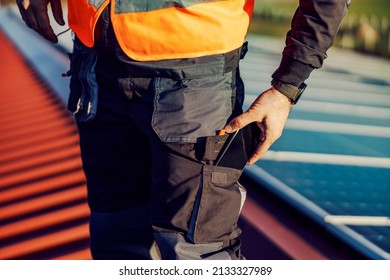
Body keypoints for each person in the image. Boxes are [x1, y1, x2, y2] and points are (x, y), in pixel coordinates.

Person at [16, 0, 350, 260]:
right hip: (96, 70)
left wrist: (287, 88)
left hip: (195, 86)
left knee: (197, 254)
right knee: (115, 238)